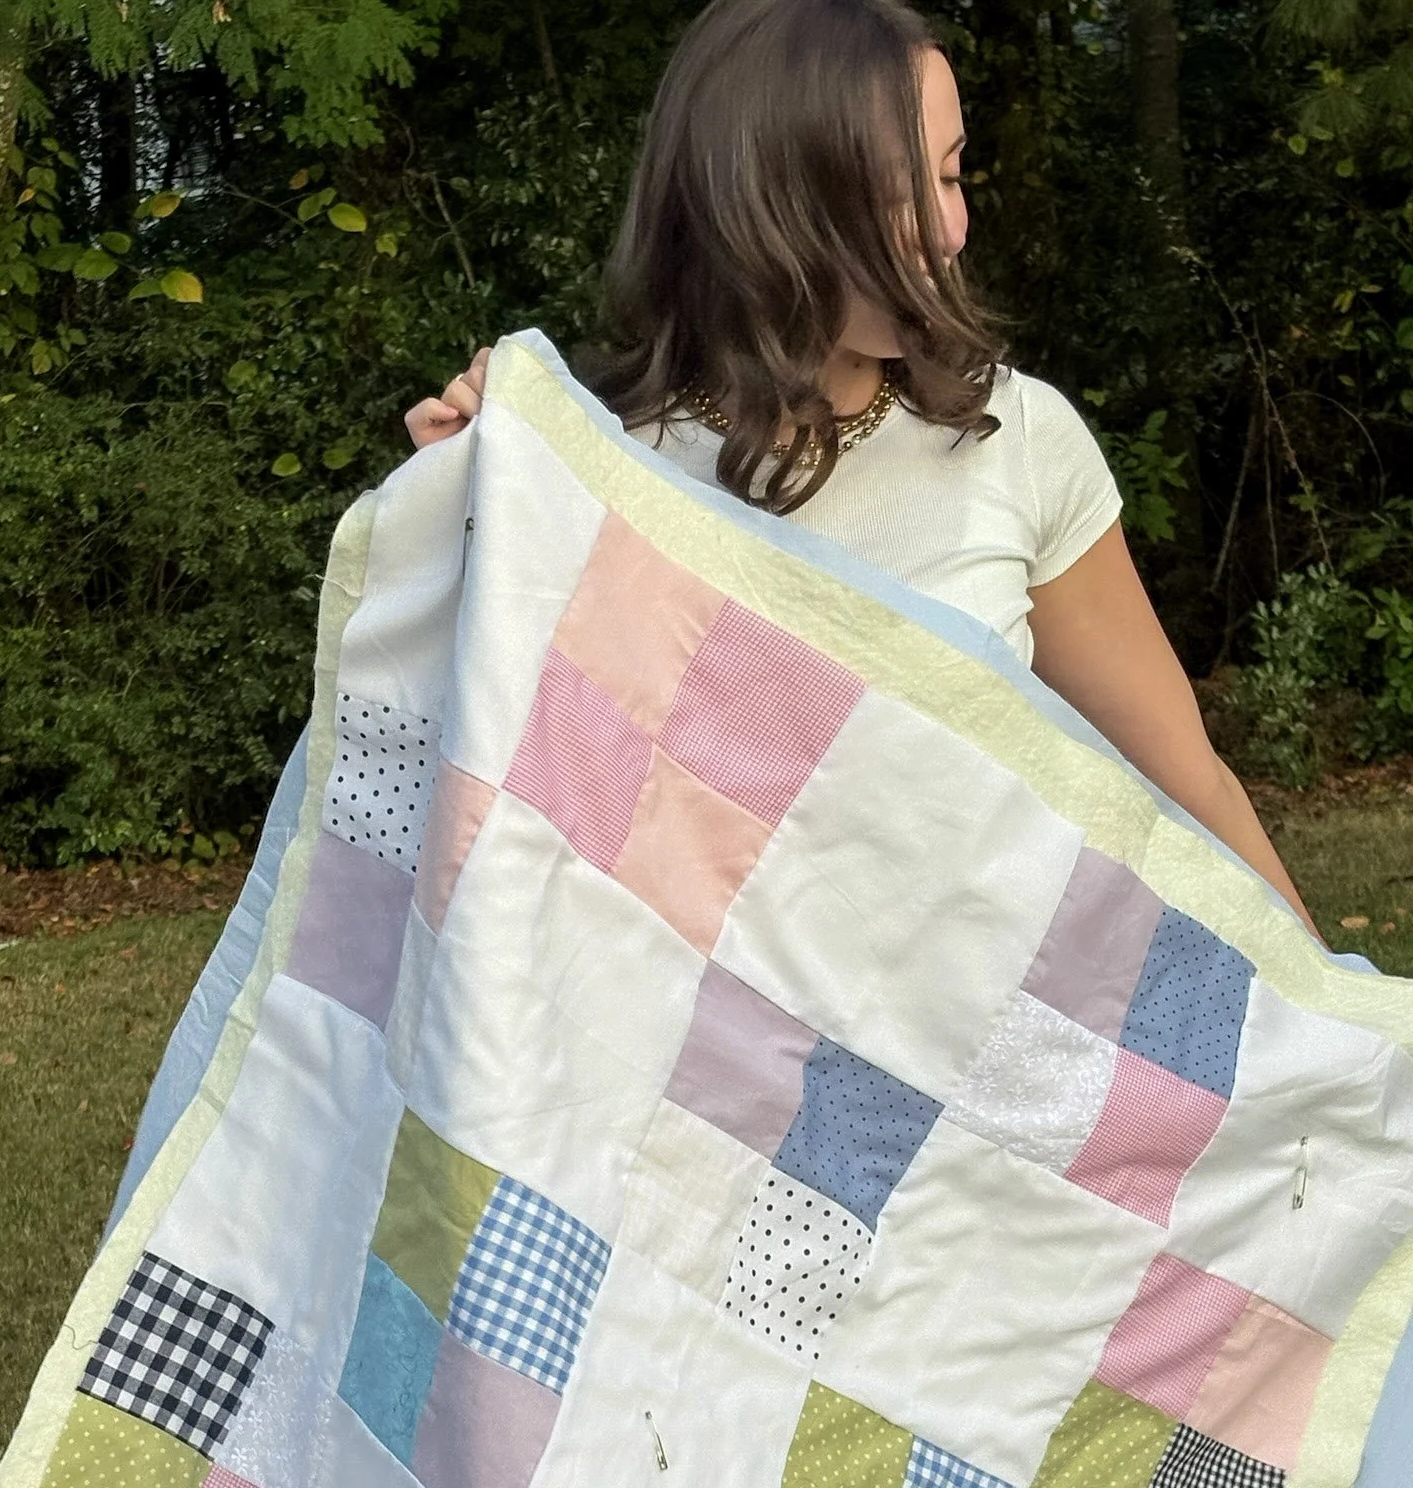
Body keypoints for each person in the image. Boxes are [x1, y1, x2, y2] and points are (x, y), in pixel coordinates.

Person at [407, 0, 1318, 933]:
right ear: (756, 205)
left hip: (999, 1033)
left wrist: (1344, 1027)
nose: (949, 231)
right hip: (728, 1060)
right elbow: (515, 830)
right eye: (895, 196)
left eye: (953, 176)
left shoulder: (1016, 437)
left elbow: (1187, 777)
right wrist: (462, 524)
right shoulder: (605, 479)